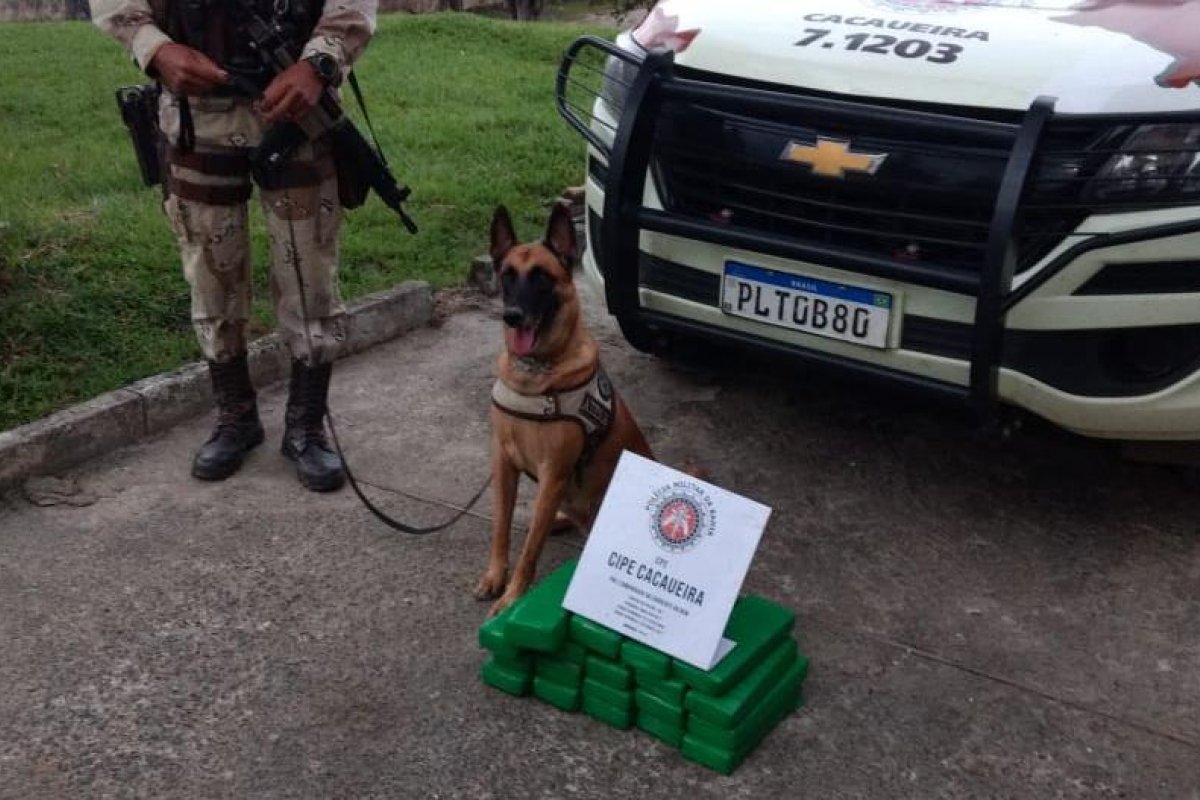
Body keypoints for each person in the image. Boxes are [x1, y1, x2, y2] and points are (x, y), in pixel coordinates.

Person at [92, 0, 378, 492]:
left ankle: (306, 426)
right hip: (197, 112)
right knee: (211, 270)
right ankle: (236, 416)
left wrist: (319, 62)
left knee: (308, 272)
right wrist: (155, 49)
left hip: (297, 109)